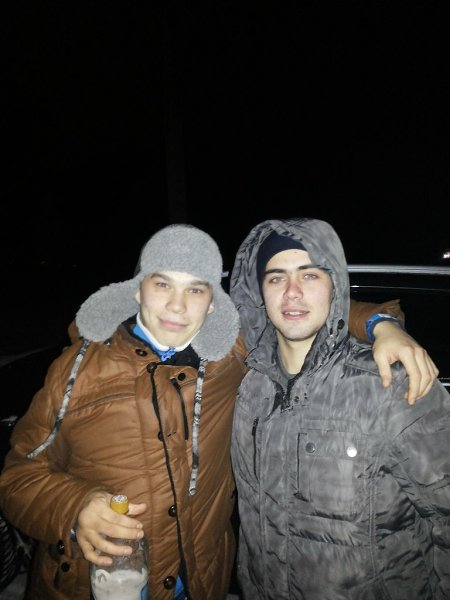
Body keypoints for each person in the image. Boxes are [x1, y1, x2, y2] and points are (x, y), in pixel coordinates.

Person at [0, 224, 438, 600]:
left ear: (212, 302)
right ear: (137, 289)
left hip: (201, 584)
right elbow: (17, 479)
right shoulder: (77, 371)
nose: (177, 305)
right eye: (162, 284)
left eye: (195, 289)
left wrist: (381, 325)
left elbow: (301, 311)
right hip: (93, 585)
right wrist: (73, 507)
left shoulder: (230, 357)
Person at [229, 217, 450, 599]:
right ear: (259, 292)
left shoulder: (390, 385)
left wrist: (382, 323)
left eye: (310, 275)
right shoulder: (250, 389)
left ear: (335, 286)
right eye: (276, 278)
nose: (292, 292)